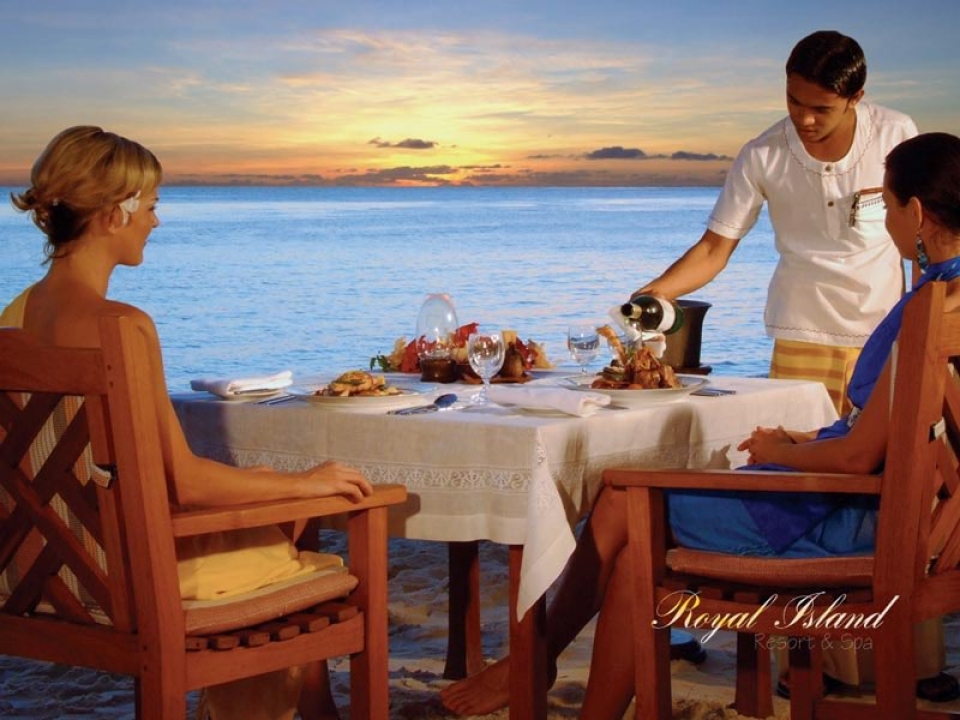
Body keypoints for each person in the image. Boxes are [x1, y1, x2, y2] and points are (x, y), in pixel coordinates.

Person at [441, 132, 960, 718]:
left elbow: (857, 459)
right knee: (635, 553)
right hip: (925, 522)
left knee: (621, 499)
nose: (885, 220)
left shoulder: (928, 308)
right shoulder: (949, 301)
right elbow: (898, 434)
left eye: (887, 205)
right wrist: (808, 438)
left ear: (917, 213)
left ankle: (535, 659)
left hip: (853, 522)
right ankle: (560, 681)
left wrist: (778, 452)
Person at [1, 126, 372, 720]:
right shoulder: (124, 327)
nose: (156, 221)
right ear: (113, 215)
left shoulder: (13, 320)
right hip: (134, 586)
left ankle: (312, 709)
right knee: (307, 546)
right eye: (150, 206)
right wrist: (308, 482)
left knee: (268, 506)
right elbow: (186, 483)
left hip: (45, 575)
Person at [635, 30, 918, 416]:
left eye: (821, 108)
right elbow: (714, 249)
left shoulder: (896, 133)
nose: (804, 118)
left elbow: (925, 233)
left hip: (885, 329)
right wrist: (654, 292)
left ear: (856, 98)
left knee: (881, 449)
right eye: (793, 101)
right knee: (797, 447)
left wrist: (924, 318)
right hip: (802, 332)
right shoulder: (761, 154)